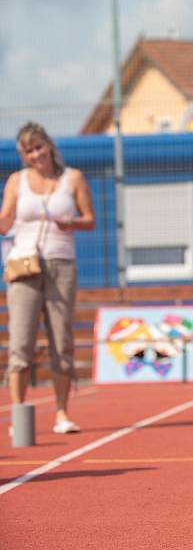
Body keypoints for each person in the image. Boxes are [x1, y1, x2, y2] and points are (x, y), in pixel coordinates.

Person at [0, 122, 96, 433]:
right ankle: (19, 416)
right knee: (21, 342)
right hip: (24, 265)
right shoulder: (17, 181)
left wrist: (72, 222)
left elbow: (90, 220)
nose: (35, 154)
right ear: (23, 155)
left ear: (49, 145)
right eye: (28, 150)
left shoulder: (73, 178)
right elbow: (5, 221)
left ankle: (61, 414)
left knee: (61, 340)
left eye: (38, 146)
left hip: (61, 265)